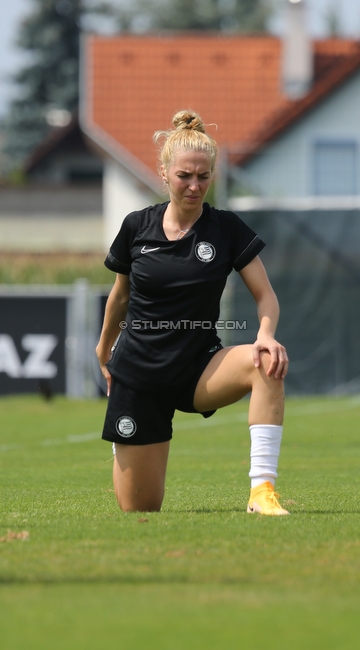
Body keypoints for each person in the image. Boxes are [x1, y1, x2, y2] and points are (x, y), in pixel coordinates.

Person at [97, 110, 289, 515]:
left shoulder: (226, 228)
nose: (194, 185)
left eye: (203, 176)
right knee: (140, 510)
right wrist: (103, 350)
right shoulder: (136, 227)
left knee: (266, 362)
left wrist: (265, 333)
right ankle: (127, 442)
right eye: (185, 175)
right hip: (139, 373)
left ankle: (262, 493)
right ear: (164, 173)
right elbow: (119, 297)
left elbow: (266, 295)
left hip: (198, 368)